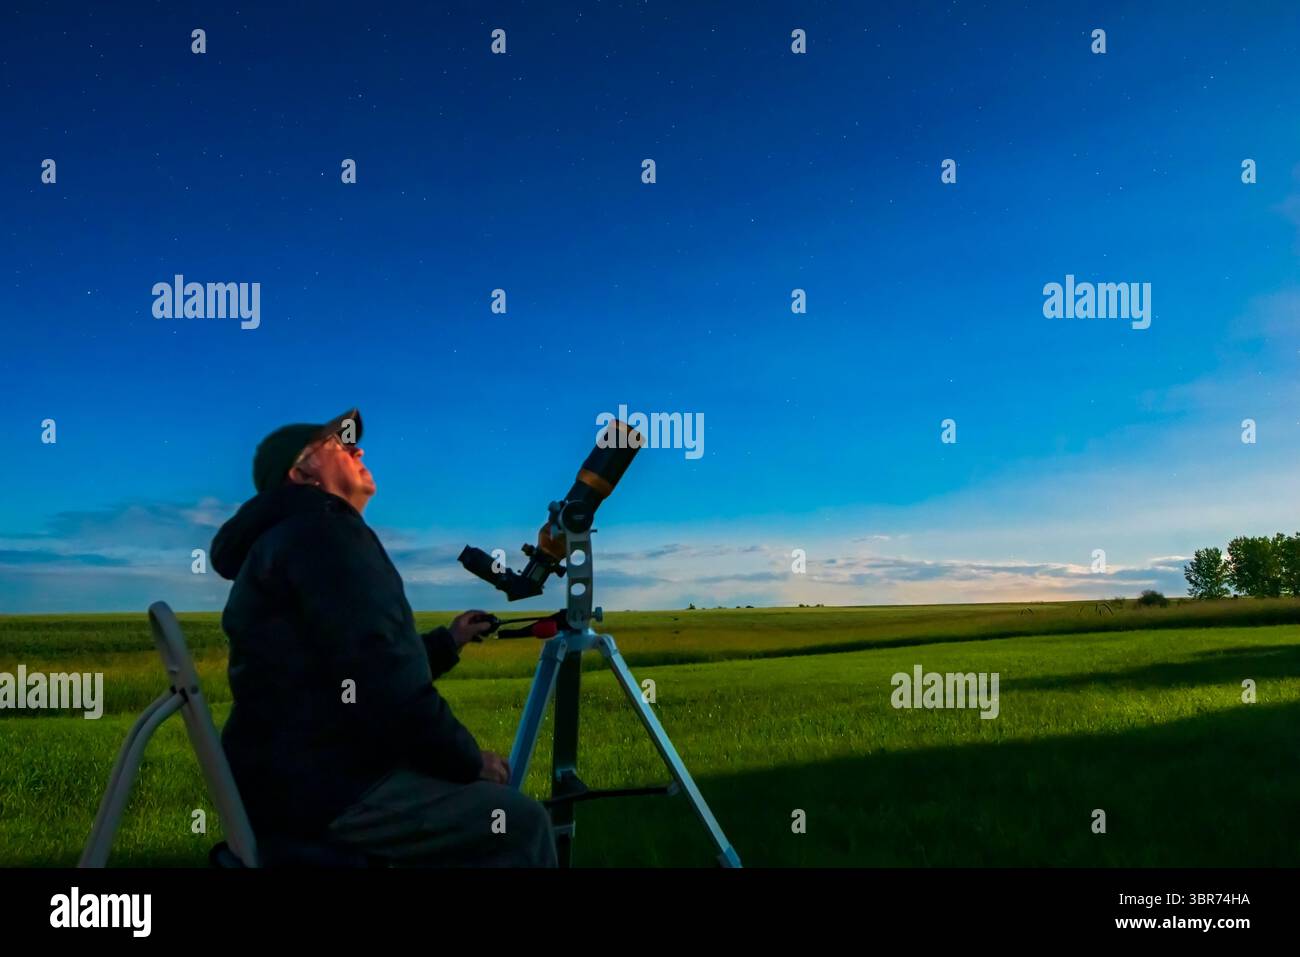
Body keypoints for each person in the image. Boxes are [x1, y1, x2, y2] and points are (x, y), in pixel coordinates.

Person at [210, 407, 557, 867]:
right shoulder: (325, 532)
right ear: (300, 473)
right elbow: (385, 684)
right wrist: (469, 760)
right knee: (519, 823)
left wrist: (447, 641)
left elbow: (352, 673)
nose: (358, 449)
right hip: (330, 790)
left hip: (288, 781)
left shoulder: (286, 540)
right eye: (338, 445)